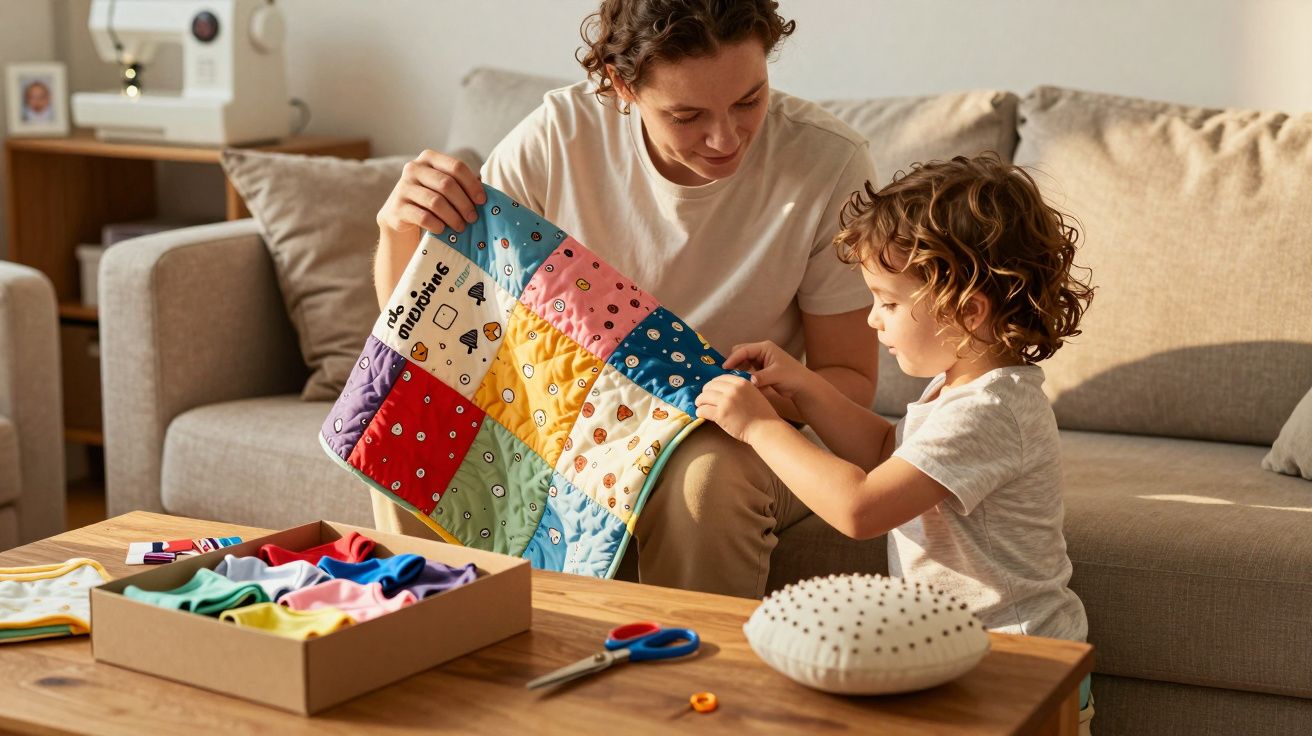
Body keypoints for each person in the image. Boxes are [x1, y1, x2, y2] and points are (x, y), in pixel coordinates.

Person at [371, 0, 879, 598]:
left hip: (729, 429)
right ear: (622, 87)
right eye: (686, 115)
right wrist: (397, 231)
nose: (725, 138)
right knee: (401, 422)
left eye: (749, 100)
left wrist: (727, 402)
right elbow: (427, 342)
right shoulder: (557, 139)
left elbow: (849, 380)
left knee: (705, 480)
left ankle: (689, 661)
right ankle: (447, 638)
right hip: (567, 412)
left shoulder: (827, 163)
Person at [694, 153, 1097, 731]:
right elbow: (888, 451)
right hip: (967, 654)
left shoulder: (990, 411)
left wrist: (760, 427)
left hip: (1021, 663)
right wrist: (805, 385)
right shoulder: (960, 387)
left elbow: (860, 508)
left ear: (967, 311)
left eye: (887, 302)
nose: (872, 321)